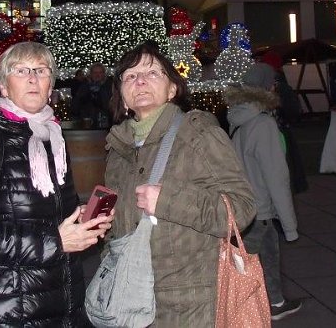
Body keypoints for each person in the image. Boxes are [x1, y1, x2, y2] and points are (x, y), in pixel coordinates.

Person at [0, 41, 112, 326]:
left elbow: (52, 216)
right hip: (11, 303)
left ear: (51, 87)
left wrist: (84, 222)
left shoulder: (52, 137)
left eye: (41, 70)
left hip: (62, 294)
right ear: (3, 85)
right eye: (20, 70)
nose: (33, 78)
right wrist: (56, 241)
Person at [103, 42, 256, 326]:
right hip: (130, 299)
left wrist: (170, 201)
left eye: (152, 73)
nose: (140, 81)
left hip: (188, 304)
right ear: (123, 97)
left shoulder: (198, 134)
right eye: (130, 76)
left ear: (172, 89)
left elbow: (243, 208)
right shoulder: (119, 148)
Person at [225, 62, 302, 321]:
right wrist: (290, 226)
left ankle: (275, 301)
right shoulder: (263, 124)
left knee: (256, 259)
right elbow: (276, 177)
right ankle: (254, 309)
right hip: (261, 210)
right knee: (254, 264)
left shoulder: (237, 118)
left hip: (243, 206)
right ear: (268, 88)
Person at [259, 50, 308, 194]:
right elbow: (294, 111)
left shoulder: (276, 86)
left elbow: (292, 110)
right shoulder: (280, 85)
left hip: (279, 133)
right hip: (281, 132)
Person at [72, 63, 113, 128]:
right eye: (95, 72)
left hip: (105, 122)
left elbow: (110, 104)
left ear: (104, 74)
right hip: (86, 121)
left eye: (100, 72)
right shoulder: (84, 86)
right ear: (91, 74)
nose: (98, 75)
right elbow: (76, 104)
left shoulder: (109, 86)